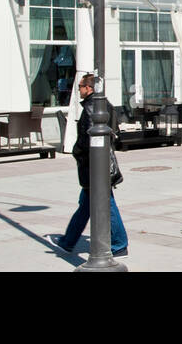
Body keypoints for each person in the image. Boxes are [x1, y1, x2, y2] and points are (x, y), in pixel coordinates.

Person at [53, 74, 129, 257]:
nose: (78, 90)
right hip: (99, 165)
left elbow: (88, 139)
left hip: (94, 167)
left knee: (105, 204)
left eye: (80, 86)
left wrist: (76, 151)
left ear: (89, 88)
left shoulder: (90, 107)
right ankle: (68, 241)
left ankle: (119, 244)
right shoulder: (106, 104)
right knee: (86, 205)